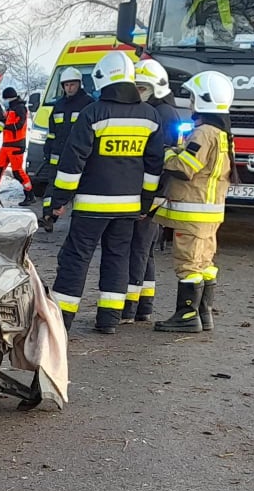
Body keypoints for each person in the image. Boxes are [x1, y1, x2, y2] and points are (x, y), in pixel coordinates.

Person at [43, 52, 167, 335]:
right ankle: (109, 319)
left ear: (102, 78)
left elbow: (72, 163)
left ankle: (63, 320)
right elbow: (153, 168)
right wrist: (146, 203)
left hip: (91, 205)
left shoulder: (93, 113)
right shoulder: (151, 116)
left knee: (76, 257)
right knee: (117, 257)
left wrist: (59, 201)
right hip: (129, 207)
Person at [154, 71, 234, 334]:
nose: (189, 101)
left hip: (192, 211)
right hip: (211, 213)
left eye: (192, 96)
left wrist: (165, 153)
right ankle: (203, 314)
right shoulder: (223, 134)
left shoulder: (204, 132)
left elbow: (186, 167)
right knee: (205, 263)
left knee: (187, 263)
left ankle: (187, 316)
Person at [126, 58, 181, 323]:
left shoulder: (162, 114)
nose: (138, 92)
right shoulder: (162, 111)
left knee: (137, 248)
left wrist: (153, 198)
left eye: (142, 87)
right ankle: (144, 306)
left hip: (152, 193)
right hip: (154, 192)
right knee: (145, 251)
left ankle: (129, 306)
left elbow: (162, 160)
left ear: (156, 86)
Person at [34, 68, 93, 204]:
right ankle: (48, 216)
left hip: (79, 157)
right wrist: (47, 151)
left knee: (80, 190)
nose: (69, 88)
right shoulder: (58, 105)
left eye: (72, 84)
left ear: (79, 84)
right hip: (57, 156)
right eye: (66, 85)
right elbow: (52, 132)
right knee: (52, 188)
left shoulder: (88, 104)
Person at [0, 87, 33, 198]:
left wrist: (5, 126)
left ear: (9, 98)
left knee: (17, 172)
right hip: (6, 144)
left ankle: (29, 194)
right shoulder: (11, 109)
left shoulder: (20, 108)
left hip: (16, 145)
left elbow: (19, 125)